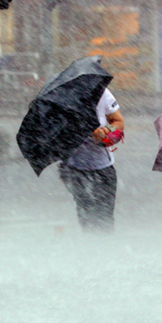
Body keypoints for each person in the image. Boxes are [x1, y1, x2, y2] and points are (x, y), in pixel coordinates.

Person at [59, 88, 125, 232]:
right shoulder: (62, 97)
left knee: (105, 214)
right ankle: (91, 246)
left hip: (102, 166)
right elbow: (56, 130)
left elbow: (119, 121)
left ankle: (104, 247)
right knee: (86, 210)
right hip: (73, 167)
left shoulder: (103, 93)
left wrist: (105, 130)